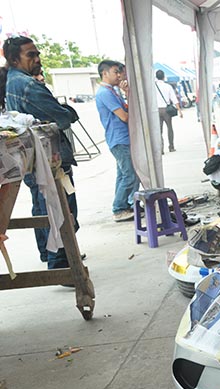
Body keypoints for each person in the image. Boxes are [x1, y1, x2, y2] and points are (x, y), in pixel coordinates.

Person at [0, 35, 80, 270]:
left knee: (42, 206)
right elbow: (62, 117)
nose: (37, 59)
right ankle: (59, 260)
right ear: (15, 59)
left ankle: (51, 255)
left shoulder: (13, 81)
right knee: (57, 208)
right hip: (45, 160)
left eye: (37, 54)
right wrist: (68, 111)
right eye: (31, 55)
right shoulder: (25, 84)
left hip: (30, 159)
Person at [95, 60, 140, 221]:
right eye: (116, 72)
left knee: (123, 175)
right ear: (105, 73)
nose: (119, 75)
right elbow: (124, 116)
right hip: (119, 139)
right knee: (130, 175)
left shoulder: (113, 91)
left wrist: (127, 93)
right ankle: (119, 207)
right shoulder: (105, 93)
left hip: (122, 138)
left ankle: (125, 205)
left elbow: (126, 109)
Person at [155, 69, 182, 153]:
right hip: (166, 110)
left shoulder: (153, 87)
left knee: (159, 130)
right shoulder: (168, 86)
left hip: (156, 110)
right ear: (163, 77)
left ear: (156, 77)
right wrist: (179, 111)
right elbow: (174, 99)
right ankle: (171, 147)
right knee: (169, 128)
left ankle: (161, 149)